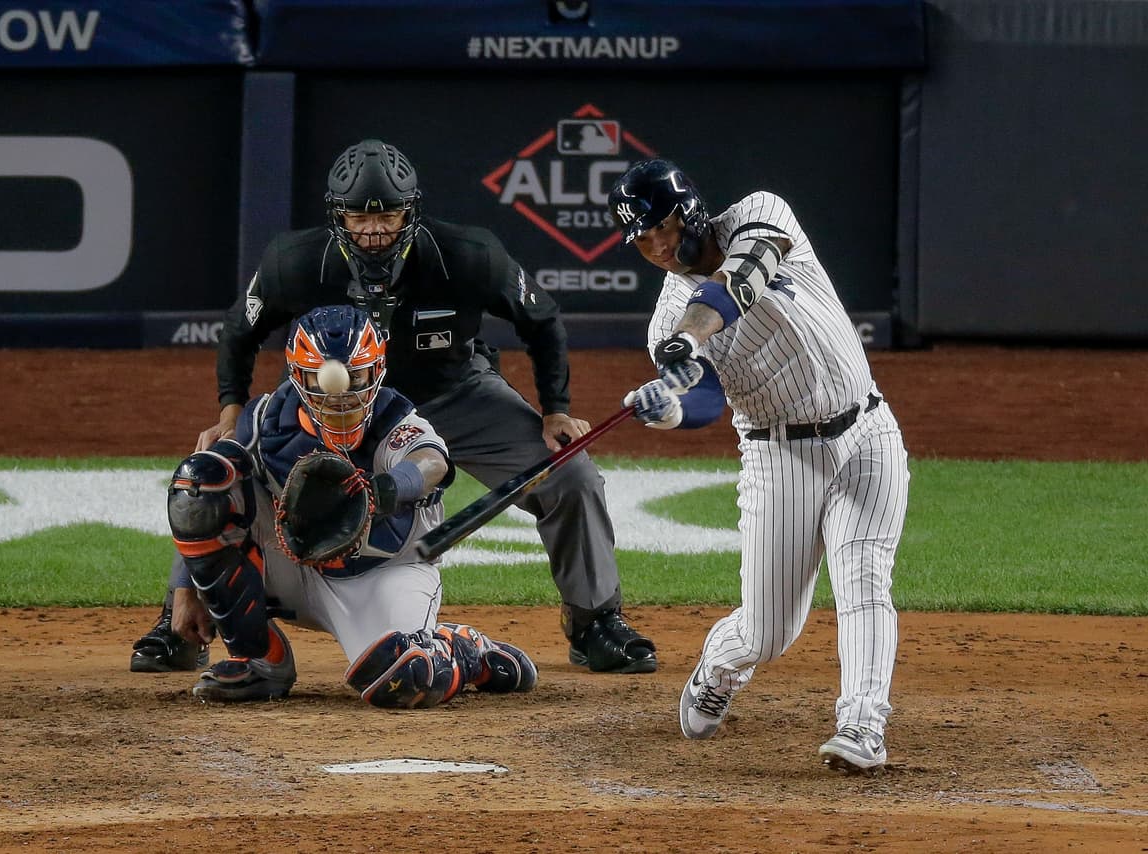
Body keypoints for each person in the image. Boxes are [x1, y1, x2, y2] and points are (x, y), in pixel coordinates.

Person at [131, 139, 656, 675]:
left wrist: (556, 411)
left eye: (389, 216)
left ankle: (595, 620)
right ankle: (184, 611)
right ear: (338, 216)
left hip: (454, 393)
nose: (374, 230)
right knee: (223, 467)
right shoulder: (294, 262)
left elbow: (541, 321)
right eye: (359, 217)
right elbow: (240, 332)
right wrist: (229, 409)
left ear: (413, 211)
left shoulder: (471, 255)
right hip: (337, 405)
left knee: (572, 477)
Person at [608, 159, 910, 773]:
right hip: (782, 455)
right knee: (771, 631)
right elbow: (706, 401)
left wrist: (689, 339)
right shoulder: (664, 322)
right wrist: (666, 410)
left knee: (864, 580)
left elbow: (740, 280)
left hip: (870, 430)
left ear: (689, 210)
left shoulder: (760, 213)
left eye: (663, 227)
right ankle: (721, 666)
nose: (659, 246)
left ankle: (862, 725)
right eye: (642, 239)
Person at [165, 304, 537, 707]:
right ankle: (257, 659)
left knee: (404, 679)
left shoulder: (396, 418)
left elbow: (430, 462)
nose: (339, 397)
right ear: (297, 377)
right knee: (200, 480)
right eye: (319, 382)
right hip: (291, 567)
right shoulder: (268, 420)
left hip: (383, 575)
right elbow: (204, 501)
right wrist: (184, 588)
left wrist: (384, 490)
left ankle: (462, 648)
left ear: (377, 372)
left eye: (356, 378)